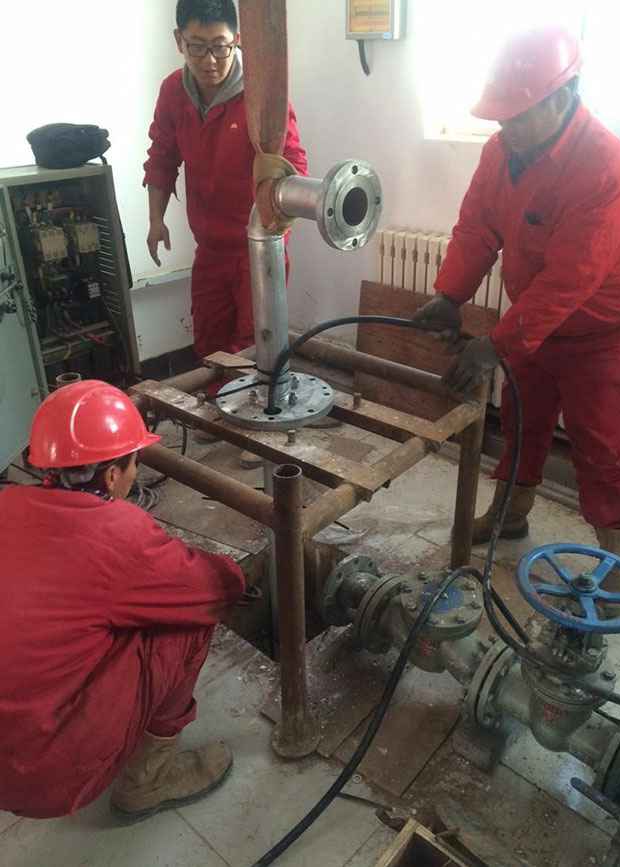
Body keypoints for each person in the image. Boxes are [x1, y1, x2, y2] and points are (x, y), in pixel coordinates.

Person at [414, 26, 620, 578]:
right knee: (522, 419)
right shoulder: (502, 151)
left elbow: (569, 280)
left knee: (600, 443)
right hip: (531, 322)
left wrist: (496, 344)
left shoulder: (606, 168)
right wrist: (450, 295)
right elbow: (477, 226)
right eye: (500, 118)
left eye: (516, 117)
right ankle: (510, 514)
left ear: (563, 97)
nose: (505, 129)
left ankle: (618, 561)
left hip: (597, 328)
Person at [0, 381, 246, 822]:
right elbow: (214, 587)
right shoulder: (115, 533)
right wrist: (237, 572)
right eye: (135, 463)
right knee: (187, 623)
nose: (135, 474)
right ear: (112, 475)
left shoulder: (7, 504)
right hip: (41, 775)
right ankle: (147, 783)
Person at [144, 0, 308, 369]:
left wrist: (275, 228)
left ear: (237, 39)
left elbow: (293, 165)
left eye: (220, 47)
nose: (210, 61)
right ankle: (216, 407)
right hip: (210, 250)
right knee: (209, 346)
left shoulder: (262, 94)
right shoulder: (173, 92)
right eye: (197, 47)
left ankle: (255, 405)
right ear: (178, 40)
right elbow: (161, 158)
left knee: (255, 348)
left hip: (258, 249)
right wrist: (156, 220)